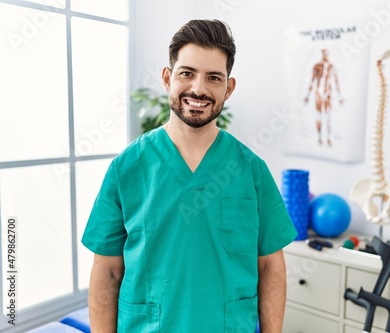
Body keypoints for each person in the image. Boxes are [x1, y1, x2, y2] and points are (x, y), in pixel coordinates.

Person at [82, 19, 298, 333]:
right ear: (168, 78)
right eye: (187, 73)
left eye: (213, 78)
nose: (198, 89)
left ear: (229, 88)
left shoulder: (251, 170)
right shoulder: (127, 167)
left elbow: (270, 266)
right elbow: (107, 271)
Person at [304, 48, 343, 146]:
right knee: (318, 115)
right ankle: (319, 137)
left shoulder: (331, 67)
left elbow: (336, 81)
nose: (325, 55)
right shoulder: (317, 66)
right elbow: (312, 81)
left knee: (328, 116)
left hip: (328, 93)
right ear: (322, 54)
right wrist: (308, 95)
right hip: (318, 93)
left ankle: (329, 138)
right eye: (324, 53)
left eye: (326, 53)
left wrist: (339, 96)